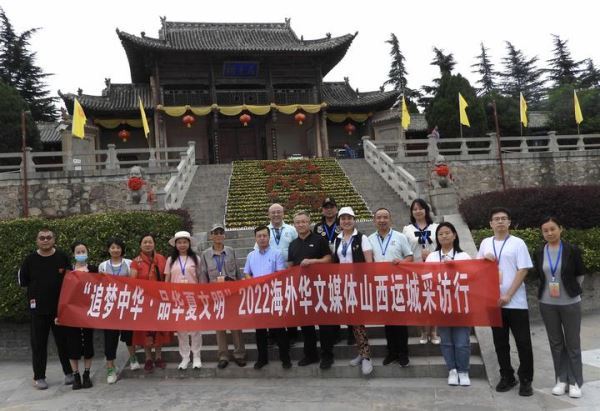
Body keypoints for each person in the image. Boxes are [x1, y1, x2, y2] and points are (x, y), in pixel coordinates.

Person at [477, 207, 534, 396]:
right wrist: (485, 260)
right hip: (494, 303)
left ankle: (526, 379)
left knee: (523, 342)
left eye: (504, 218)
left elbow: (523, 270)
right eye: (496, 219)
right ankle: (507, 376)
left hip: (515, 302)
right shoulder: (485, 243)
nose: (500, 221)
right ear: (491, 224)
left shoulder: (518, 243)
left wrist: (508, 294)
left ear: (509, 222)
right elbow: (477, 270)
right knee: (500, 343)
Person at [533, 217, 586, 398]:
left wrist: (571, 291)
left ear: (560, 229)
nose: (549, 233)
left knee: (573, 344)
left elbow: (580, 275)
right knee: (556, 344)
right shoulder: (540, 252)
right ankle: (561, 379)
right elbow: (540, 276)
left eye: (552, 229)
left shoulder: (572, 250)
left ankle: (575, 382)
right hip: (547, 304)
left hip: (570, 303)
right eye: (545, 230)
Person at [18, 228, 74, 390]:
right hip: (38, 310)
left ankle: (69, 373)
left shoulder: (62, 257)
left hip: (59, 309)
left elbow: (70, 280)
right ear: (37, 241)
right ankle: (39, 377)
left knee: (63, 343)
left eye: (48, 237)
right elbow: (24, 281)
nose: (45, 240)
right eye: (41, 238)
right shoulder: (30, 260)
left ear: (53, 239)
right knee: (38, 344)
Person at [425, 222, 472, 387]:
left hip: (460, 304)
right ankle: (451, 369)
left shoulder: (464, 256)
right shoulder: (432, 257)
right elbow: (426, 278)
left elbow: (472, 278)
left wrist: (454, 269)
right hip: (441, 304)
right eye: (440, 234)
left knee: (462, 341)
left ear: (455, 235)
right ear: (437, 238)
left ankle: (463, 370)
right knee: (446, 341)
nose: (444, 236)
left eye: (447, 233)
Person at [287, 211, 334, 369]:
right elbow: (290, 265)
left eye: (304, 222)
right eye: (298, 222)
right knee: (306, 325)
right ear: (294, 225)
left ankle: (327, 356)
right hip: (302, 290)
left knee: (324, 324)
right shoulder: (292, 244)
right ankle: (310, 355)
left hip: (320, 288)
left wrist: (313, 261)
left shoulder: (319, 240)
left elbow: (329, 259)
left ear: (309, 222)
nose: (301, 224)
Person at [368, 208, 413, 367]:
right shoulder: (369, 239)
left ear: (390, 219)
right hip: (381, 286)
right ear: (374, 220)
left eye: (385, 217)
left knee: (400, 321)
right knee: (387, 322)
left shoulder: (400, 237)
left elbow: (410, 257)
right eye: (379, 217)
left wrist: (401, 262)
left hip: (398, 285)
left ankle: (403, 353)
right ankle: (391, 352)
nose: (382, 220)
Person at [332, 206, 374, 376]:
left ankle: (367, 356)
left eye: (349, 218)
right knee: (353, 321)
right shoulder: (337, 239)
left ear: (354, 220)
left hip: (358, 284)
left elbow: (369, 262)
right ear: (339, 222)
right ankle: (361, 352)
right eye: (343, 218)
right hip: (343, 285)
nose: (346, 221)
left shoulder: (361, 238)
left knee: (358, 321)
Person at [199, 223, 246, 369]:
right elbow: (203, 275)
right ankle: (223, 355)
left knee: (236, 326)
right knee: (220, 327)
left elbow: (237, 271)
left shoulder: (231, 251)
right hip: (215, 295)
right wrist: (205, 294)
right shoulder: (205, 254)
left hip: (231, 293)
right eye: (215, 233)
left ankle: (239, 354)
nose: (218, 235)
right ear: (211, 236)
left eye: (221, 232)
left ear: (224, 235)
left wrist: (239, 289)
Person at [244, 225, 291, 370]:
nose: (262, 238)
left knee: (279, 330)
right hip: (258, 298)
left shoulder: (277, 253)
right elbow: (247, 273)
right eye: (259, 236)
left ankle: (285, 358)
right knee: (260, 331)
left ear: (269, 237)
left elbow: (280, 274)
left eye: (265, 235)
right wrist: (252, 281)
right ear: (255, 238)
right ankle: (262, 359)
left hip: (274, 295)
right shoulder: (251, 255)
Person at [98, 237, 138, 384]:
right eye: (112, 247)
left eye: (118, 247)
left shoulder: (129, 263)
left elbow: (133, 283)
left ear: (122, 249)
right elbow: (100, 286)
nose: (115, 250)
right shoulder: (102, 266)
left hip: (125, 306)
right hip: (109, 309)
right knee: (110, 338)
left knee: (128, 335)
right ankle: (110, 369)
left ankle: (133, 358)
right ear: (108, 249)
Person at [130, 233, 171, 372]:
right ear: (140, 245)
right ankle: (148, 358)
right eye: (145, 242)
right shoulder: (136, 262)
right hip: (143, 301)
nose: (148, 244)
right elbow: (132, 281)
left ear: (154, 244)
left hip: (159, 300)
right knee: (145, 330)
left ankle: (158, 356)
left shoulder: (160, 259)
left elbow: (167, 277)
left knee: (159, 328)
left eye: (150, 242)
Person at [164, 231, 204, 370]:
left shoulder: (196, 259)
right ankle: (185, 357)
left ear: (189, 243)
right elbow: (167, 280)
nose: (182, 245)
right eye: (179, 242)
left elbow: (200, 278)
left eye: (184, 242)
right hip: (177, 299)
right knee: (181, 330)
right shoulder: (170, 260)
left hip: (193, 298)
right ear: (175, 244)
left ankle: (197, 356)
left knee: (195, 328)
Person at [259, 203, 299, 342]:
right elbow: (257, 250)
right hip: (270, 274)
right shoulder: (264, 230)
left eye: (278, 212)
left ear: (283, 213)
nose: (276, 215)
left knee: (289, 302)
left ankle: (293, 333)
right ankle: (273, 333)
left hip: (288, 272)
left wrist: (293, 263)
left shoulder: (291, 229)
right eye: (273, 212)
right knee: (272, 303)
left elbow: (298, 246)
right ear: (269, 215)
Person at [402, 198, 440, 344]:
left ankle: (434, 331)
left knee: (433, 300)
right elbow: (405, 249)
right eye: (415, 209)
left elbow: (441, 246)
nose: (418, 211)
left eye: (420, 208)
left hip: (433, 268)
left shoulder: (436, 227)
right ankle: (423, 332)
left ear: (426, 210)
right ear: (412, 212)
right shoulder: (407, 229)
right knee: (418, 301)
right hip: (415, 269)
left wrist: (431, 255)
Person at [313, 197, 345, 344]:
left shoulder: (343, 224)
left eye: (332, 206)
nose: (329, 209)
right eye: (326, 207)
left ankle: (349, 332)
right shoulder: (318, 227)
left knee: (343, 300)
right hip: (323, 270)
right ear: (322, 210)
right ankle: (331, 332)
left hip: (340, 267)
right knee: (328, 301)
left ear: (336, 209)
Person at [65, 242, 97, 390]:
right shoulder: (68, 271)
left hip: (88, 313)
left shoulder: (93, 269)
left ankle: (86, 374)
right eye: (78, 251)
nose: (81, 253)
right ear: (73, 254)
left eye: (83, 251)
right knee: (72, 345)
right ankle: (76, 375)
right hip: (71, 313)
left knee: (88, 344)